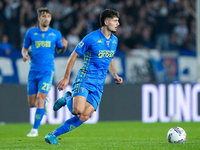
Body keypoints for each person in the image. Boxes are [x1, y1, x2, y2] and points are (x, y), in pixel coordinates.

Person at [44, 9, 123, 145]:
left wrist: (115, 74)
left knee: (85, 116)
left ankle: (52, 135)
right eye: (115, 20)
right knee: (77, 110)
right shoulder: (91, 38)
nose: (118, 23)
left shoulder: (114, 41)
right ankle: (68, 97)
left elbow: (110, 58)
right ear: (106, 22)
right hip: (85, 78)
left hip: (99, 84)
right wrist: (66, 78)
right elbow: (73, 55)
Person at [21, 7, 68, 137]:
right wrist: (25, 55)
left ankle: (34, 130)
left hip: (47, 70)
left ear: (50, 18)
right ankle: (45, 102)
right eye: (43, 16)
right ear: (39, 18)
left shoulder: (56, 34)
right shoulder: (31, 33)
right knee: (32, 103)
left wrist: (64, 46)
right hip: (33, 71)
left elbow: (60, 51)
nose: (46, 18)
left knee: (40, 98)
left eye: (48, 16)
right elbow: (24, 49)